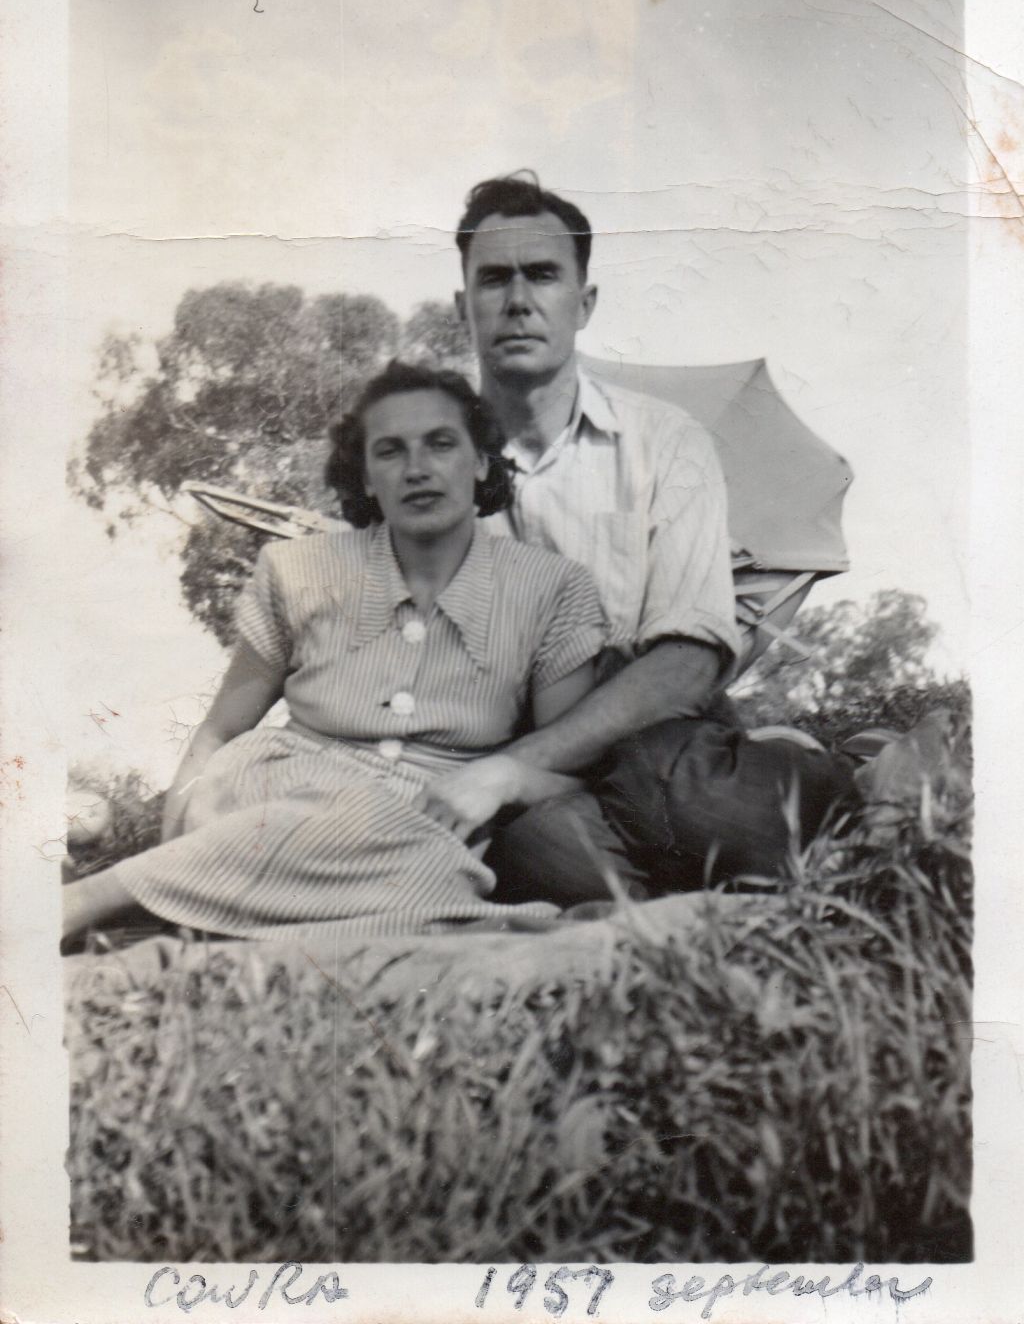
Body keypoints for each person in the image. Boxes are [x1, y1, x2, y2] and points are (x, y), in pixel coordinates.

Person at [418, 173, 859, 903]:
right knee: (547, 855)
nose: (519, 300)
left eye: (544, 276)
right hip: (522, 782)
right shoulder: (424, 474)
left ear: (583, 303)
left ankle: (835, 773)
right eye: (494, 279)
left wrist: (515, 767)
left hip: (658, 747)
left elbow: (687, 664)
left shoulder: (665, 443)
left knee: (707, 803)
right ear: (463, 308)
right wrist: (509, 775)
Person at [62, 362, 607, 946]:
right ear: (367, 478)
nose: (418, 469)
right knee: (386, 858)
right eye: (390, 452)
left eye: (442, 444)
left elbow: (571, 777)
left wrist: (502, 779)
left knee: (430, 863)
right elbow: (219, 733)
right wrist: (174, 846)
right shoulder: (298, 570)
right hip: (271, 791)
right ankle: (96, 901)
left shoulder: (553, 590)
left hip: (421, 827)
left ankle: (204, 917)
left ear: (480, 462)